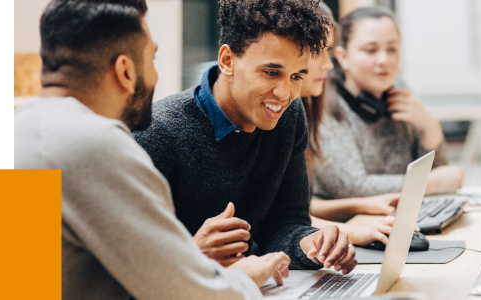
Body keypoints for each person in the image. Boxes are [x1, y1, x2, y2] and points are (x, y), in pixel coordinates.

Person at [20, 0, 288, 298]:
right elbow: (191, 294)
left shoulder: (15, 134)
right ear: (125, 70)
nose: (156, 76)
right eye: (152, 59)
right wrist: (244, 278)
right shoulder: (95, 145)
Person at [133, 0, 355, 273]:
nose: (284, 94)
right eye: (271, 73)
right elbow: (127, 265)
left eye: (296, 76)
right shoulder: (157, 134)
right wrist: (193, 253)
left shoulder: (289, 116)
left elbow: (285, 223)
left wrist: (312, 243)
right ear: (227, 61)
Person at [306, 6, 465, 223]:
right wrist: (430, 184)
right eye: (370, 50)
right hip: (345, 228)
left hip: (400, 219)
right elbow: (353, 186)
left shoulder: (399, 90)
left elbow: (440, 174)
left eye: (392, 49)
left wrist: (430, 125)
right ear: (342, 57)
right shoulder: (322, 100)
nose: (383, 60)